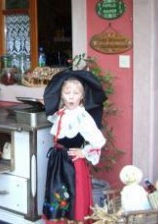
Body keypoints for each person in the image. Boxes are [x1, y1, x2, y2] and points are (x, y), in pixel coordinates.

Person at [42, 77, 106, 224]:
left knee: (73, 197)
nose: (71, 96)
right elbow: (53, 119)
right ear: (62, 95)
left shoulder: (82, 117)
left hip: (72, 164)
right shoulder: (61, 113)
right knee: (57, 196)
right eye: (67, 92)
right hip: (58, 161)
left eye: (76, 93)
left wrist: (83, 152)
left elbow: (99, 141)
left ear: (82, 96)